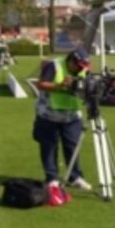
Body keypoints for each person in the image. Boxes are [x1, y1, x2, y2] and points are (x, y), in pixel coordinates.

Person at [32, 48, 93, 196]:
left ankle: (75, 177)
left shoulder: (83, 69)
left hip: (71, 116)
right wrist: (60, 86)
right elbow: (40, 84)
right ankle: (52, 178)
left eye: (83, 66)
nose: (80, 69)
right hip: (48, 114)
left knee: (73, 146)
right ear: (70, 60)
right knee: (49, 147)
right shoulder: (54, 66)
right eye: (78, 65)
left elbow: (87, 86)